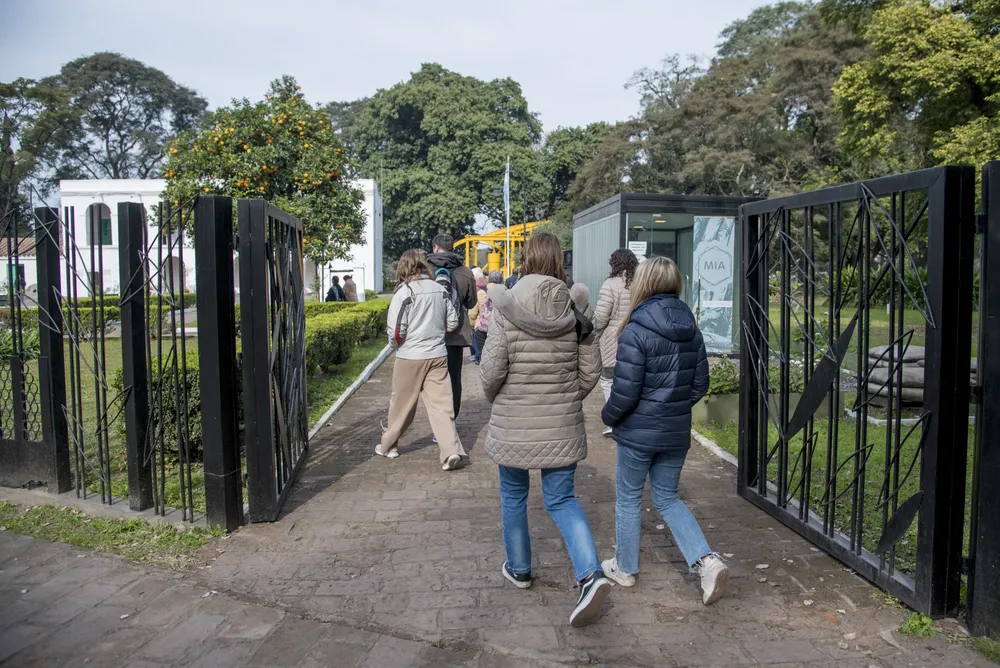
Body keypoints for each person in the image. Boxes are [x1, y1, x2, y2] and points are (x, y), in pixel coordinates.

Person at [479, 232, 610, 627]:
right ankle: (590, 575)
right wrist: (568, 395)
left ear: (525, 259)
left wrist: (500, 396)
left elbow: (490, 372)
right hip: (561, 424)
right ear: (559, 262)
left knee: (513, 497)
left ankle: (519, 570)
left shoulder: (506, 304)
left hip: (513, 423)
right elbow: (591, 372)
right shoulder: (576, 312)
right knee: (562, 500)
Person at [599, 256, 727, 605]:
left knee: (628, 499)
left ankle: (625, 568)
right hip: (674, 431)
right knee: (668, 498)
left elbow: (624, 393)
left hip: (638, 432)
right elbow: (701, 383)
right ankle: (707, 561)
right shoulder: (692, 327)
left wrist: (607, 415)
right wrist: (673, 407)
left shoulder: (635, 329)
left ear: (644, 283)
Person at [377, 250, 467, 471]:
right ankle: (450, 451)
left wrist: (397, 345)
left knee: (401, 404)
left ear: (402, 269)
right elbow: (452, 322)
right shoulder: (440, 289)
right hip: (438, 355)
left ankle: (389, 446)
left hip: (410, 355)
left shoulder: (403, 293)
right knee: (442, 407)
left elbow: (397, 331)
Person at [426, 234, 477, 419]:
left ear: (435, 247)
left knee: (431, 379)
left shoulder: (426, 269)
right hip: (455, 334)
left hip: (430, 333)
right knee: (454, 378)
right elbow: (471, 303)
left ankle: (437, 421)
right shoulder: (464, 270)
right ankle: (451, 419)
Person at [593, 249, 638, 436]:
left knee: (608, 379)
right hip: (636, 335)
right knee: (633, 380)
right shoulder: (640, 283)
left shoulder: (610, 284)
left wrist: (595, 332)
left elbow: (602, 316)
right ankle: (632, 420)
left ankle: (614, 420)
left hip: (613, 338)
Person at [473, 270, 503, 364]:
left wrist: (474, 324)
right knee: (497, 357)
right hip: (498, 329)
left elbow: (472, 313)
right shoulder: (507, 292)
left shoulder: (481, 292)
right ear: (502, 280)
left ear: (489, 279)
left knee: (483, 357)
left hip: (482, 327)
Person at [467, 276, 489, 363]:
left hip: (480, 324)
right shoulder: (489, 293)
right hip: (492, 324)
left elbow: (472, 314)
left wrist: (472, 325)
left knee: (478, 342)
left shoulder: (478, 295)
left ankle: (477, 357)